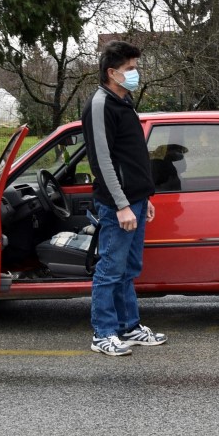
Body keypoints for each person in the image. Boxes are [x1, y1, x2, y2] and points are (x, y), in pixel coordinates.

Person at [81, 40, 167, 356]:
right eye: (130, 68)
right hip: (118, 205)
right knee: (110, 269)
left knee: (128, 268)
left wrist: (144, 197)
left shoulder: (124, 101)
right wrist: (121, 204)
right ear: (112, 72)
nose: (135, 73)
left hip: (136, 200)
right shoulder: (100, 105)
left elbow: (131, 156)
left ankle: (128, 327)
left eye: (135, 67)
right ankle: (103, 333)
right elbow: (102, 161)